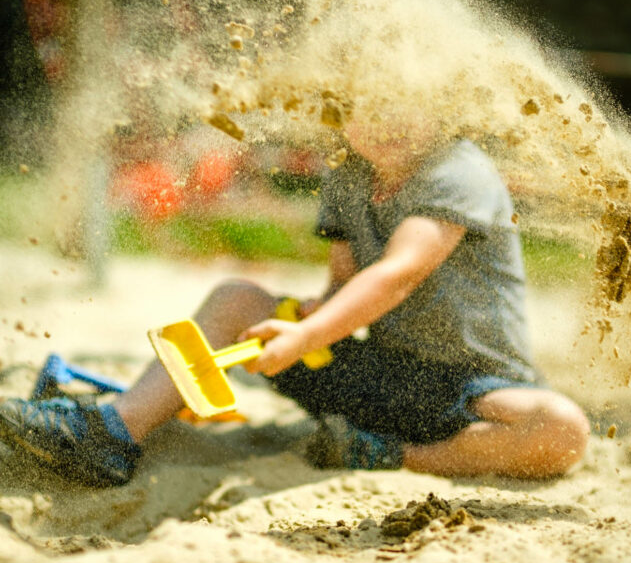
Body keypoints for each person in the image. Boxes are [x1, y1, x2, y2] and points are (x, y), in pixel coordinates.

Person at [0, 116, 590, 486]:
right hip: (384, 377)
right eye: (368, 102)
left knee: (561, 430)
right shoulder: (349, 172)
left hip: (472, 389)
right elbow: (347, 278)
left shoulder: (460, 171)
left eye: (406, 100)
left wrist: (310, 336)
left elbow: (398, 274)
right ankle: (112, 433)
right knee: (237, 298)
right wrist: (316, 312)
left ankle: (389, 455)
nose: (388, 119)